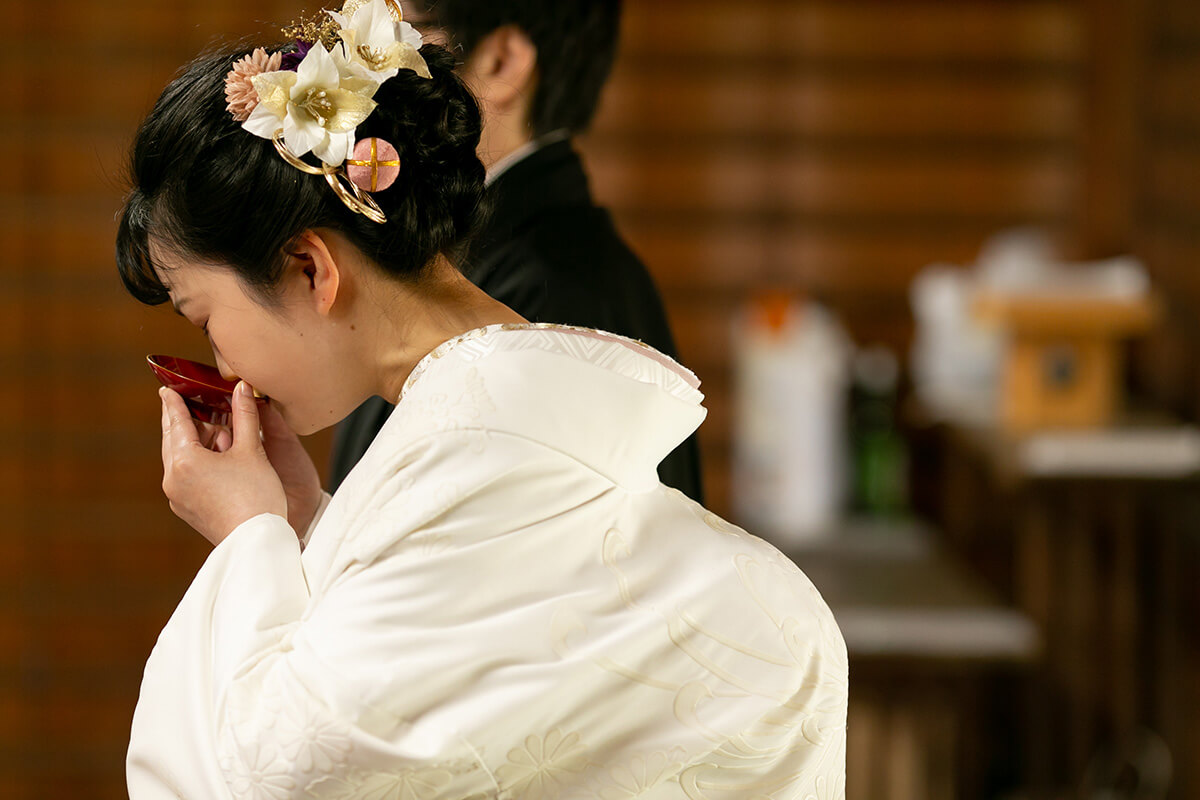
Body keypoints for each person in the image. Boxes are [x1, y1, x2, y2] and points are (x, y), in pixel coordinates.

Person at [117, 3, 846, 798]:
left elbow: (273, 775)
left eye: (207, 320)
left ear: (308, 268)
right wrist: (304, 521)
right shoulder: (497, 427)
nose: (223, 365)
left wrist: (248, 538)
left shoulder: (483, 432)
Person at [329, 0, 705, 503]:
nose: (348, 65)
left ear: (501, 61)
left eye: (386, 31)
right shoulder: (469, 253)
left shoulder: (557, 293)